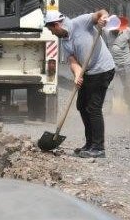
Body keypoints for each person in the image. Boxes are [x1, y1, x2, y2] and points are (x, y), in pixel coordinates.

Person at [45, 10, 114, 158]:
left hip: (102, 69)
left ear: (56, 25)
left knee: (93, 107)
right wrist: (77, 74)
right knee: (81, 105)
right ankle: (89, 144)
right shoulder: (65, 40)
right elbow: (73, 61)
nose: (52, 33)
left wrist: (103, 18)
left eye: (51, 30)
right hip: (87, 71)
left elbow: (101, 13)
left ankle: (98, 148)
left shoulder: (80, 22)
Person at [104, 17, 130, 110]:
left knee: (128, 85)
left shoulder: (127, 31)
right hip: (111, 63)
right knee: (108, 85)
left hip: (126, 63)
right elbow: (96, 25)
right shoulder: (106, 31)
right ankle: (108, 106)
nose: (113, 30)